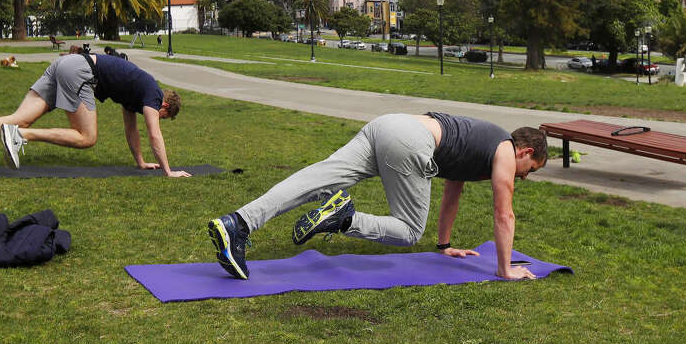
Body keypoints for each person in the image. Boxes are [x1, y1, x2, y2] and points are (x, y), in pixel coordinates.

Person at [208, 112, 547, 281]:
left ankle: (238, 222)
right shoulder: (504, 150)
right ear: (525, 151)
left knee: (312, 180)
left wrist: (444, 247)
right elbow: (505, 214)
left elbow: (451, 191)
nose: (524, 176)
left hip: (387, 125)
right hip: (410, 139)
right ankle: (344, 218)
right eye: (530, 168)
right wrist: (505, 269)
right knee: (410, 229)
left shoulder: (482, 147)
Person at [0, 51, 191, 178]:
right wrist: (169, 172)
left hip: (66, 64)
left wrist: (141, 162)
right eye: (162, 116)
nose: (157, 117)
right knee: (87, 137)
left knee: (18, 117)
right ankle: (20, 136)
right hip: (80, 71)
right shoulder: (153, 93)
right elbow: (154, 134)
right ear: (165, 107)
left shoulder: (136, 94)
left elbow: (131, 130)